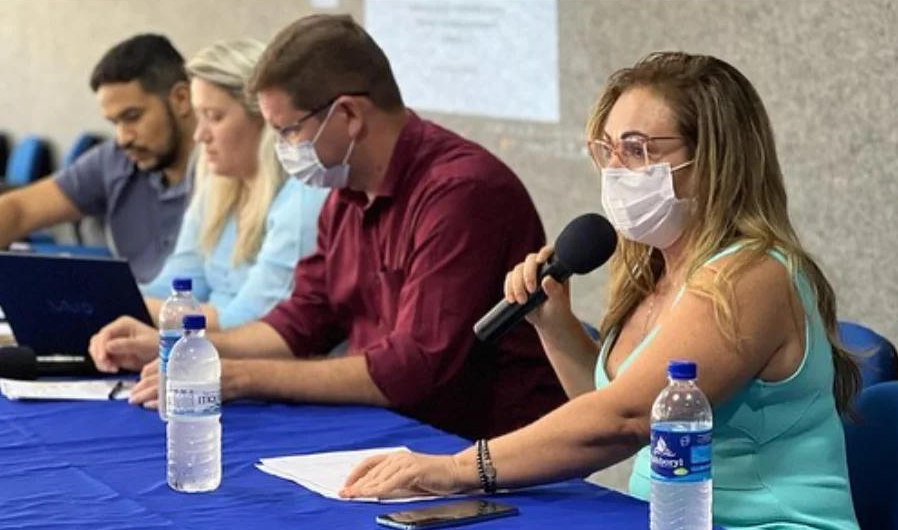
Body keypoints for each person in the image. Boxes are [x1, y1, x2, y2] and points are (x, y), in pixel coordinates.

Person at [339, 52, 861, 530]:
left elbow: (624, 421)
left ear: (715, 160)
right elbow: (613, 406)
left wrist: (458, 469)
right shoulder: (657, 270)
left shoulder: (751, 276)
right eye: (607, 149)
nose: (615, 168)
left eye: (636, 149)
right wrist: (554, 324)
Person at [88, 14, 567, 441]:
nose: (279, 147)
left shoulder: (461, 192)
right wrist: (193, 350)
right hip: (392, 433)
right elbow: (301, 320)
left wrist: (241, 377)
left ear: (349, 115)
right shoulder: (347, 191)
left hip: (488, 454)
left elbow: (412, 368)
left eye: (287, 131)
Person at [138, 39, 327, 332]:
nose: (199, 135)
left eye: (214, 117)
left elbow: (249, 323)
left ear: (264, 118)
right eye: (198, 116)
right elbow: (174, 288)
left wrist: (130, 307)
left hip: (260, 364)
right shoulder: (218, 186)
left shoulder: (305, 197)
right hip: (208, 355)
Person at [0, 34, 197, 283]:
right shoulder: (116, 160)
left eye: (133, 116)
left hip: (195, 317)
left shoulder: (227, 168)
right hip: (133, 314)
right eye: (115, 123)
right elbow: (20, 209)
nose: (123, 137)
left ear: (181, 98)